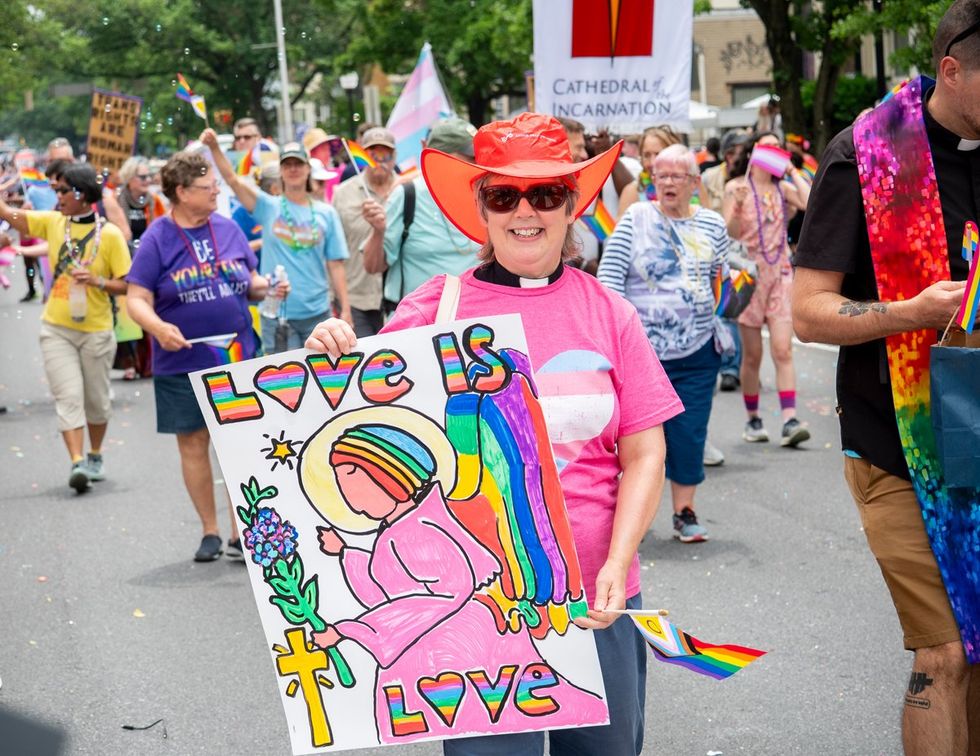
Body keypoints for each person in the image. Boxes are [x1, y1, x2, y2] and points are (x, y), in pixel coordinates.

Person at [307, 112, 680, 755]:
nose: (525, 211)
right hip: (479, 618)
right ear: (481, 208)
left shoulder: (609, 313)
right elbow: (360, 409)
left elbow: (645, 450)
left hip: (599, 600)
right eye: (504, 195)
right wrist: (331, 351)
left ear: (572, 205)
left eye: (545, 193)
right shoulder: (435, 308)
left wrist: (619, 562)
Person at [793, 4, 980, 751]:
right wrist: (906, 310)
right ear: (952, 69)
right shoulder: (863, 155)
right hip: (899, 448)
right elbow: (808, 313)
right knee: (942, 652)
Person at [126, 150, 285, 562]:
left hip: (236, 356)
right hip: (180, 363)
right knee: (194, 444)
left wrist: (269, 287)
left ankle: (241, 533)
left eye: (215, 184)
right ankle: (210, 531)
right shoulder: (158, 238)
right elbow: (136, 299)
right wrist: (158, 328)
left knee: (239, 444)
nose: (216, 191)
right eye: (207, 186)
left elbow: (247, 283)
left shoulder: (228, 228)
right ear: (180, 192)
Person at [599, 144, 729, 543]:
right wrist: (618, 339)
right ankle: (626, 522)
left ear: (694, 182)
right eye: (662, 175)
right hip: (642, 354)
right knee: (635, 442)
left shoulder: (711, 225)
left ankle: (684, 512)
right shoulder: (636, 218)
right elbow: (609, 280)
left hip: (698, 350)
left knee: (690, 433)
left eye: (678, 176)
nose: (669, 182)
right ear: (652, 181)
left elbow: (718, 279)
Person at [0, 163, 131, 492]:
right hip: (57, 329)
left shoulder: (111, 235)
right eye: (56, 190)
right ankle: (77, 463)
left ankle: (95, 454)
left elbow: (127, 284)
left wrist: (98, 280)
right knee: (68, 397)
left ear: (83, 195)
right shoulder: (54, 223)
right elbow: (11, 215)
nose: (56, 195)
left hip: (97, 329)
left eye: (62, 191)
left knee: (97, 402)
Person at [202, 129, 351, 353]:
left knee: (325, 381)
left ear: (308, 168)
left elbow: (336, 264)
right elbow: (233, 180)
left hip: (318, 314)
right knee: (285, 383)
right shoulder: (268, 206)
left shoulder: (326, 213)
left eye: (298, 164)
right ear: (280, 170)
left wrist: (346, 309)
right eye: (287, 164)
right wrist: (214, 147)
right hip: (278, 314)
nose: (293, 169)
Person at [723, 132, 811, 447]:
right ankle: (753, 419)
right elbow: (729, 233)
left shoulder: (783, 189)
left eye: (778, 148)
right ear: (755, 151)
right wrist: (737, 206)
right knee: (753, 357)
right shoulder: (736, 187)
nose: (774, 151)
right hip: (747, 279)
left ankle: (789, 420)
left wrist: (791, 171)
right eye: (768, 146)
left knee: (783, 349)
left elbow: (810, 202)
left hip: (781, 275)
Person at [362, 118, 482, 307]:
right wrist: (378, 231)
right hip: (418, 325)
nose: (478, 163)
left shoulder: (485, 195)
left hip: (472, 318)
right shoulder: (407, 195)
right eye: (471, 156)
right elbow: (373, 266)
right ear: (441, 157)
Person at [332, 126, 397, 336]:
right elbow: (332, 251)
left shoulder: (407, 190)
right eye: (372, 154)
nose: (379, 160)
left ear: (394, 157)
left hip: (399, 298)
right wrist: (340, 303)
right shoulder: (343, 194)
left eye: (385, 154)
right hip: (356, 298)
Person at [703, 130, 750, 393]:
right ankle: (732, 366)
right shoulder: (711, 177)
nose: (736, 157)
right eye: (733, 152)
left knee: (735, 311)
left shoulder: (750, 179)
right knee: (725, 309)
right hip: (713, 249)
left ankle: (737, 367)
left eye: (741, 152)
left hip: (741, 253)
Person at [114, 156, 166, 379]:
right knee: (125, 314)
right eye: (142, 176)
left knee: (148, 309)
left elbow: (163, 228)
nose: (147, 180)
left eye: (149, 176)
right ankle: (129, 363)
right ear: (129, 178)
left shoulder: (154, 201)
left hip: (149, 261)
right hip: (123, 260)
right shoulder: (117, 201)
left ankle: (147, 363)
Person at [617, 125, 683, 219]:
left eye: (659, 154)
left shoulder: (692, 185)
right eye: (647, 155)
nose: (653, 163)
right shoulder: (632, 191)